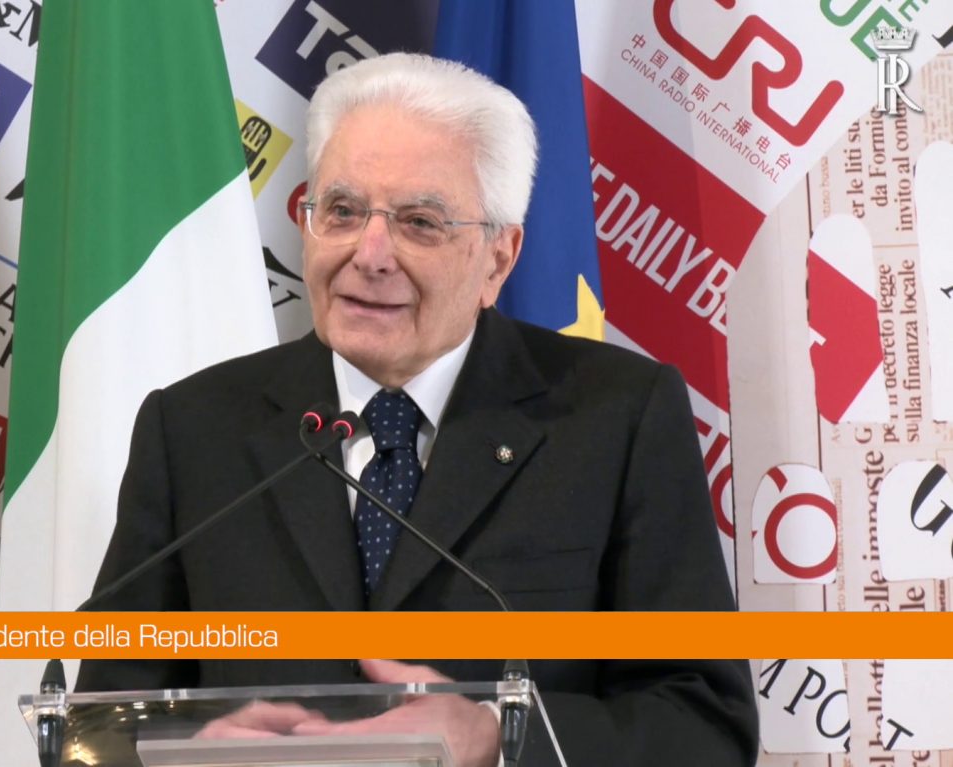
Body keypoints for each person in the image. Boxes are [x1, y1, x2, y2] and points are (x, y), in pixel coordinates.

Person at [76, 52, 758, 767]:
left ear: (498, 258)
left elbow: (704, 725)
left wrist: (501, 735)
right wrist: (186, 748)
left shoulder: (616, 417)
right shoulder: (194, 428)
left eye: (420, 223)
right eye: (342, 211)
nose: (369, 254)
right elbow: (98, 722)